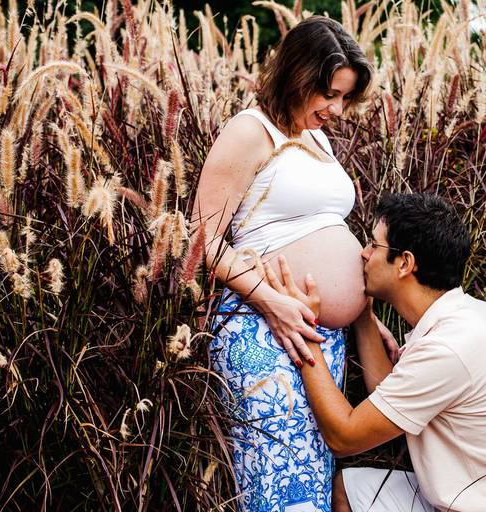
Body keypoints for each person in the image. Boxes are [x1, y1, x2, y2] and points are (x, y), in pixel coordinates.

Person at [264, 193, 486, 511]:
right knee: (350, 490)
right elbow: (390, 397)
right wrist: (365, 317)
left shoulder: (448, 349)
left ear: (405, 263)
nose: (364, 255)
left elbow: (344, 437)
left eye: (374, 245)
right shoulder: (470, 316)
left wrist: (306, 331)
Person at [192, 16, 378, 512]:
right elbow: (201, 241)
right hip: (263, 326)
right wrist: (272, 301)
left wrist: (359, 309)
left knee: (313, 475)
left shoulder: (318, 137)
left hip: (317, 332)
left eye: (345, 97)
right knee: (277, 478)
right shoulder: (250, 131)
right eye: (329, 94)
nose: (337, 109)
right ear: (298, 74)